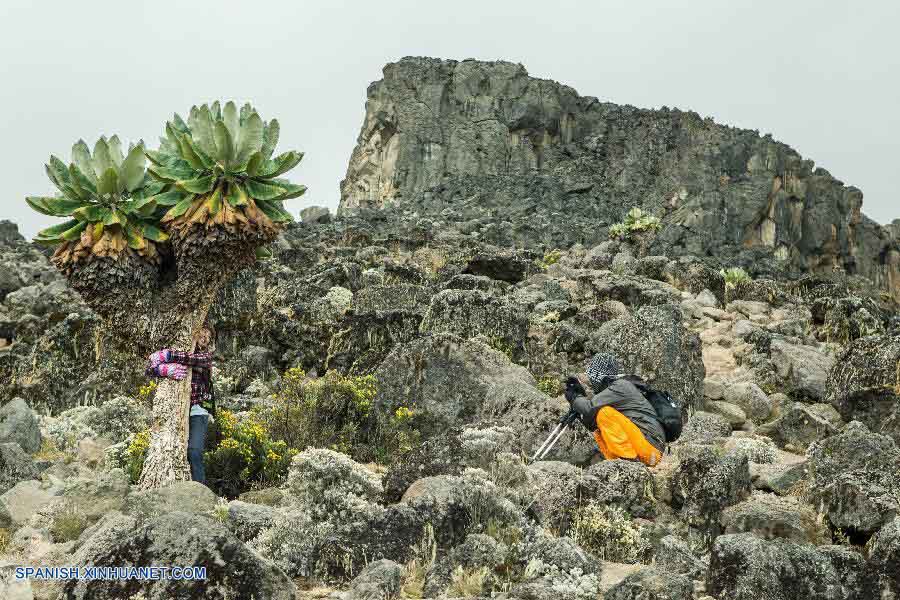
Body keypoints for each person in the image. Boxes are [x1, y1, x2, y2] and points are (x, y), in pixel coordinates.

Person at [564, 352, 664, 466]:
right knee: (598, 426)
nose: (591, 381)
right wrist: (579, 410)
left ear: (599, 376)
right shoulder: (616, 390)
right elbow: (592, 421)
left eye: (592, 377)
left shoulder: (620, 386)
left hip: (650, 449)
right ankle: (615, 465)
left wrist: (574, 397)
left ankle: (627, 464)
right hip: (647, 448)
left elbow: (589, 407)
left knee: (604, 413)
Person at [145, 325, 216, 484]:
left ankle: (199, 489)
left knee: (194, 451)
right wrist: (163, 370)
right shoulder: (182, 349)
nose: (204, 338)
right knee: (172, 448)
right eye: (202, 334)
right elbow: (148, 369)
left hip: (198, 409)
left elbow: (191, 359)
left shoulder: (205, 357)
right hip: (176, 409)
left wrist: (168, 354)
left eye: (208, 337)